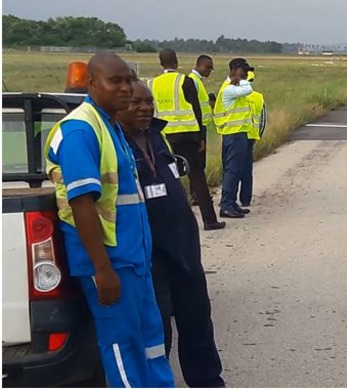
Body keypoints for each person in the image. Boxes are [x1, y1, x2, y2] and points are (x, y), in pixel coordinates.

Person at [44, 51, 175, 388]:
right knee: (122, 347)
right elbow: (82, 204)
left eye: (129, 79)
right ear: (91, 84)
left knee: (150, 343)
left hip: (134, 261)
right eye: (114, 81)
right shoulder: (80, 131)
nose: (125, 88)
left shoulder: (111, 126)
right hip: (110, 263)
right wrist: (102, 270)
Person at [118, 80, 225, 388]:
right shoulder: (115, 145)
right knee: (158, 332)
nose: (145, 108)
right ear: (118, 107)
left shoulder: (157, 136)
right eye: (135, 103)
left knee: (198, 323)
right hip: (150, 258)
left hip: (184, 252)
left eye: (149, 102)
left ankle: (208, 381)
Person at [148, 49, 225, 231]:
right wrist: (200, 137)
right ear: (176, 62)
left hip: (163, 136)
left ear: (161, 63)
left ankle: (167, 223)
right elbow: (196, 110)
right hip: (188, 135)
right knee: (197, 177)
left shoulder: (151, 83)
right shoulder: (185, 80)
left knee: (164, 177)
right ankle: (209, 220)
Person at [213, 58, 255, 218]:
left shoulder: (234, 86)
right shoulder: (229, 89)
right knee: (232, 170)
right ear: (234, 70)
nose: (246, 74)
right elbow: (248, 90)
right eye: (243, 71)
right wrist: (239, 80)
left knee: (237, 170)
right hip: (234, 134)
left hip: (239, 133)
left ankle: (232, 202)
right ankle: (226, 204)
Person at [187, 55, 215, 206]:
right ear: (200, 65)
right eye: (208, 67)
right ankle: (196, 195)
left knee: (200, 163)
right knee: (197, 164)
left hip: (201, 126)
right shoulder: (193, 81)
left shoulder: (197, 81)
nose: (210, 71)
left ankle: (197, 194)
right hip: (197, 128)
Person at [239, 68, 267, 210]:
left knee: (231, 168)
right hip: (251, 136)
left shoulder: (236, 95)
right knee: (246, 169)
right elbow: (263, 120)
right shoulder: (258, 97)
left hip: (236, 134)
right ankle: (245, 198)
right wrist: (259, 135)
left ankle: (229, 197)